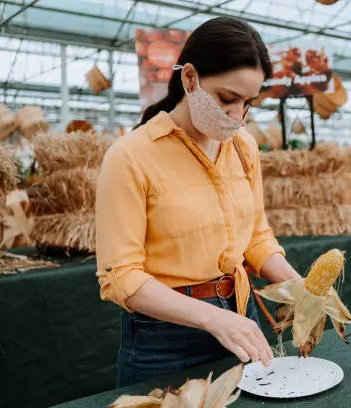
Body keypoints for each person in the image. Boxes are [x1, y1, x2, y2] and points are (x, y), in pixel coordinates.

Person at [95, 16, 301, 387]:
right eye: (226, 98)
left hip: (241, 318)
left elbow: (256, 236)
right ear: (189, 78)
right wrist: (210, 317)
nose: (237, 115)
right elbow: (121, 277)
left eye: (248, 103)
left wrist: (297, 287)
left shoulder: (244, 147)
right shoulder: (131, 157)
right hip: (164, 338)